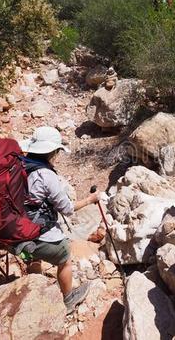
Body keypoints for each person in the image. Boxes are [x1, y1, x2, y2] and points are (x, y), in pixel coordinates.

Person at [17, 126, 105, 314]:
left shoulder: (18, 164)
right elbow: (67, 209)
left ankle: (35, 290)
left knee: (33, 255)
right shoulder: (45, 175)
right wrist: (91, 200)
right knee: (64, 256)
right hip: (33, 230)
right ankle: (69, 299)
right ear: (52, 151)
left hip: (14, 227)